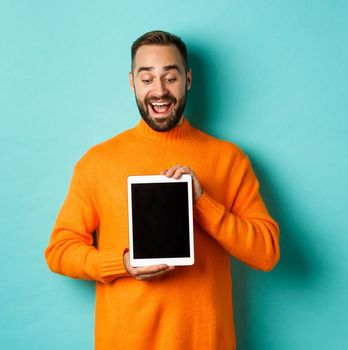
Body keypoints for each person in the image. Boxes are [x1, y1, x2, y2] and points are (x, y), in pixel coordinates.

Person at [45, 30, 280, 349]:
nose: (159, 91)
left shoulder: (228, 159)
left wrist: (201, 201)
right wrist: (123, 263)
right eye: (147, 79)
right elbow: (60, 251)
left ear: (188, 79)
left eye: (170, 77)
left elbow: (266, 253)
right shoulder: (98, 162)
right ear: (132, 83)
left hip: (205, 341)